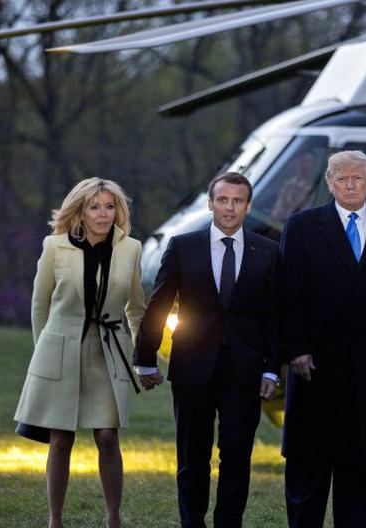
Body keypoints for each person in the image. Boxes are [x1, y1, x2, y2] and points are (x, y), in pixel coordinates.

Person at [279, 150, 366, 528]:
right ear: (328, 183)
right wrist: (296, 349)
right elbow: (288, 294)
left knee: (358, 470)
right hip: (314, 367)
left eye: (358, 177)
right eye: (342, 178)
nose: (350, 184)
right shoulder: (302, 226)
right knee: (308, 468)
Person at [134, 172, 281, 528]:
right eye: (223, 200)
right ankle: (192, 523)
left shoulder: (269, 252)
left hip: (245, 370)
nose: (229, 207)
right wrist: (144, 358)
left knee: (236, 454)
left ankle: (228, 523)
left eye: (237, 201)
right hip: (192, 367)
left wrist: (271, 368)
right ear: (210, 203)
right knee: (192, 455)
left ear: (248, 206)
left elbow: (276, 315)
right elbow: (159, 305)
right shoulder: (183, 246)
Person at [14, 177, 146, 528]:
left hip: (109, 351)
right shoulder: (54, 246)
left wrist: (143, 357)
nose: (103, 214)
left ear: (118, 210)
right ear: (80, 211)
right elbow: (39, 306)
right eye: (94, 207)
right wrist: (44, 356)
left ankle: (113, 517)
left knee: (107, 435)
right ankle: (55, 519)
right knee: (61, 437)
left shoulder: (130, 248)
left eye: (109, 206)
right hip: (60, 349)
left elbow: (136, 308)